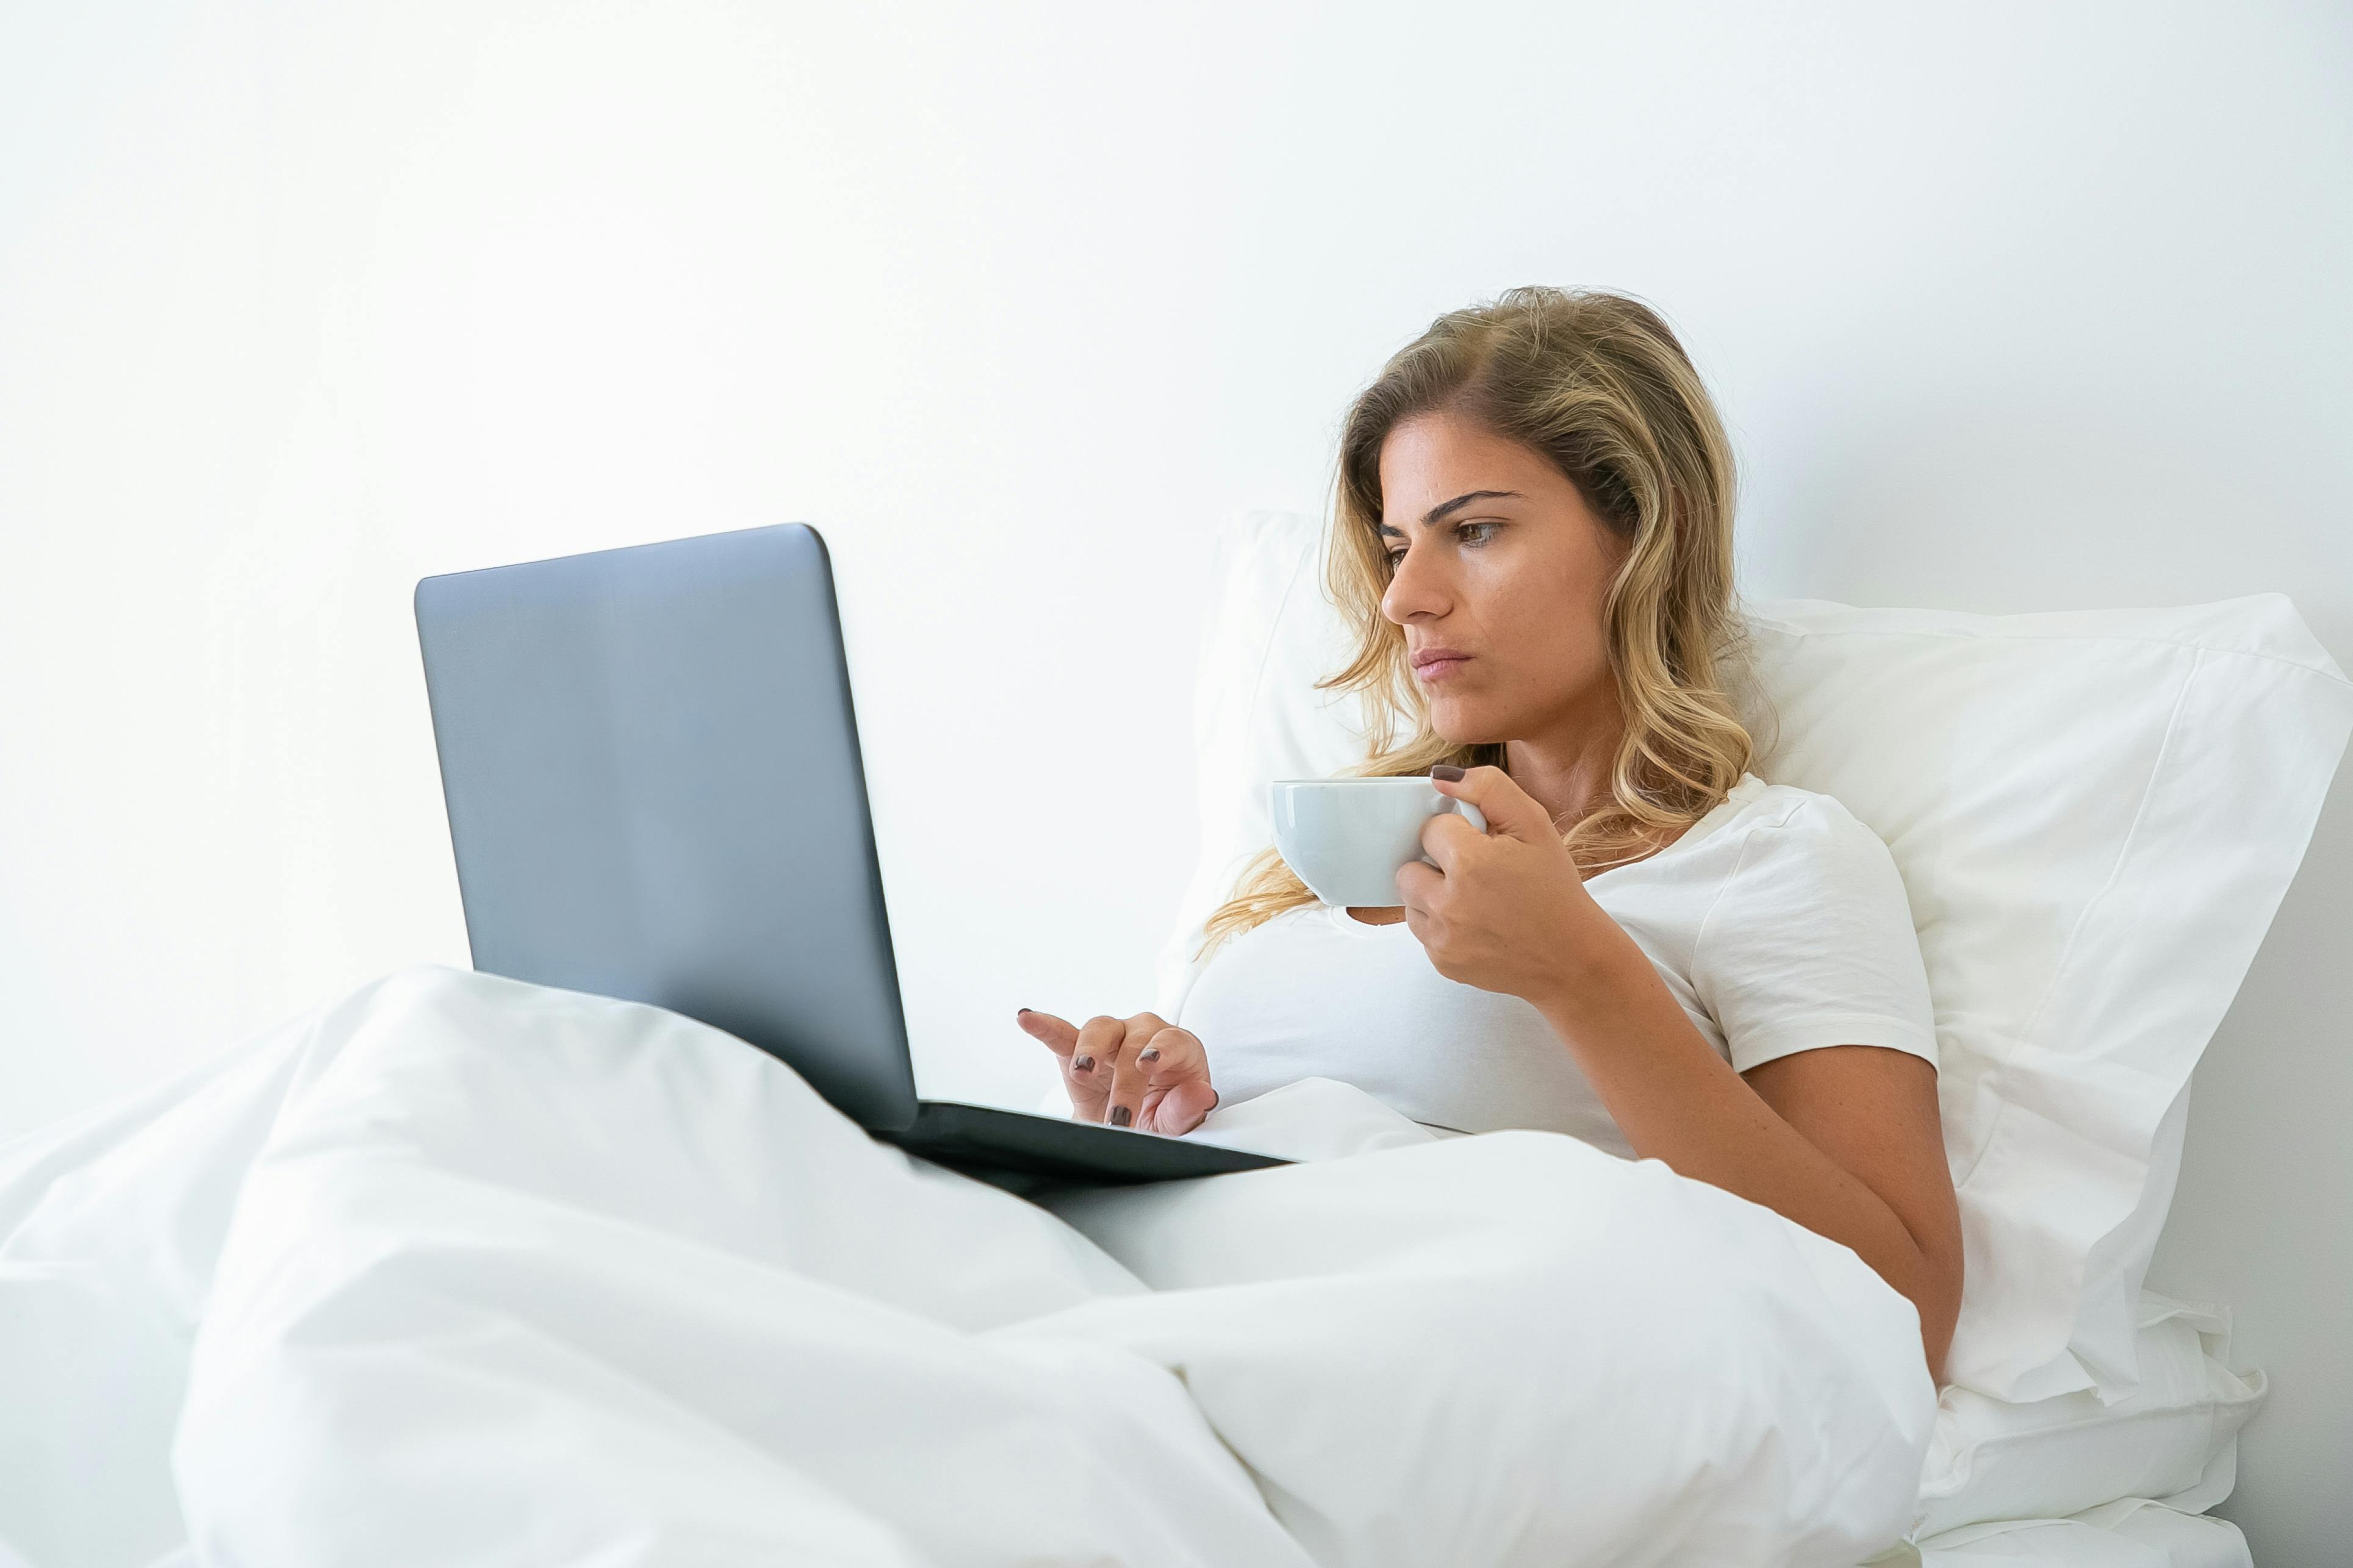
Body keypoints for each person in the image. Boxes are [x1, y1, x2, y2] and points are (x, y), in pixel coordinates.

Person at [1017, 285, 1964, 1381]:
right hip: (1154, 1315)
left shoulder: (1774, 862)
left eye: (1472, 532)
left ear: (1645, 534)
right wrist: (1143, 1120)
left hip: (1392, 1370)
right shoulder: (1325, 849)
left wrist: (1581, 979)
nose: (1404, 598)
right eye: (1392, 545)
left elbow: (1907, 1312)